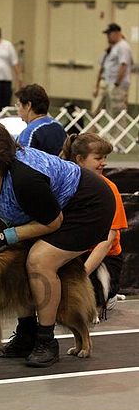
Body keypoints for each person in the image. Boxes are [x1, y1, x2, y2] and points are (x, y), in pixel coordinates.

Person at [0, 120, 115, 368]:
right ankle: (26, 334)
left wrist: (5, 237)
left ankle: (46, 340)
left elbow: (53, 222)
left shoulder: (25, 177)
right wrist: (1, 236)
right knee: (15, 258)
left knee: (38, 261)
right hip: (50, 209)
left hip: (88, 207)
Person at [60, 133, 128, 311]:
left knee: (84, 304)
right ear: (80, 160)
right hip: (74, 251)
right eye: (98, 158)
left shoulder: (110, 190)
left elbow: (107, 242)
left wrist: (80, 276)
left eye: (105, 158)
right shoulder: (65, 187)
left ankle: (108, 294)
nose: (104, 162)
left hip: (104, 256)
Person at [15, 84, 66, 155]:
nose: (17, 109)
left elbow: (23, 162)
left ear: (28, 105)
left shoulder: (29, 132)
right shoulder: (59, 126)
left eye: (18, 105)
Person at [100, 23, 132, 118]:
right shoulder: (115, 46)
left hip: (118, 85)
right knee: (112, 112)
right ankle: (113, 133)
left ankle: (118, 133)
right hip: (112, 84)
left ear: (116, 33)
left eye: (109, 34)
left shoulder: (123, 46)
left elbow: (123, 65)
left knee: (118, 113)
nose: (107, 37)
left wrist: (117, 84)